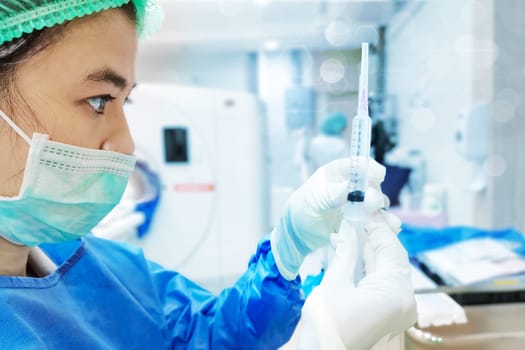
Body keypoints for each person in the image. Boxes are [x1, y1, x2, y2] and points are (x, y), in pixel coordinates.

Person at [0, 1, 415, 349]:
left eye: (125, 101)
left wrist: (288, 248)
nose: (126, 144)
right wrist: (323, 340)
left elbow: (205, 335)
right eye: (98, 100)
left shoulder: (88, 264)